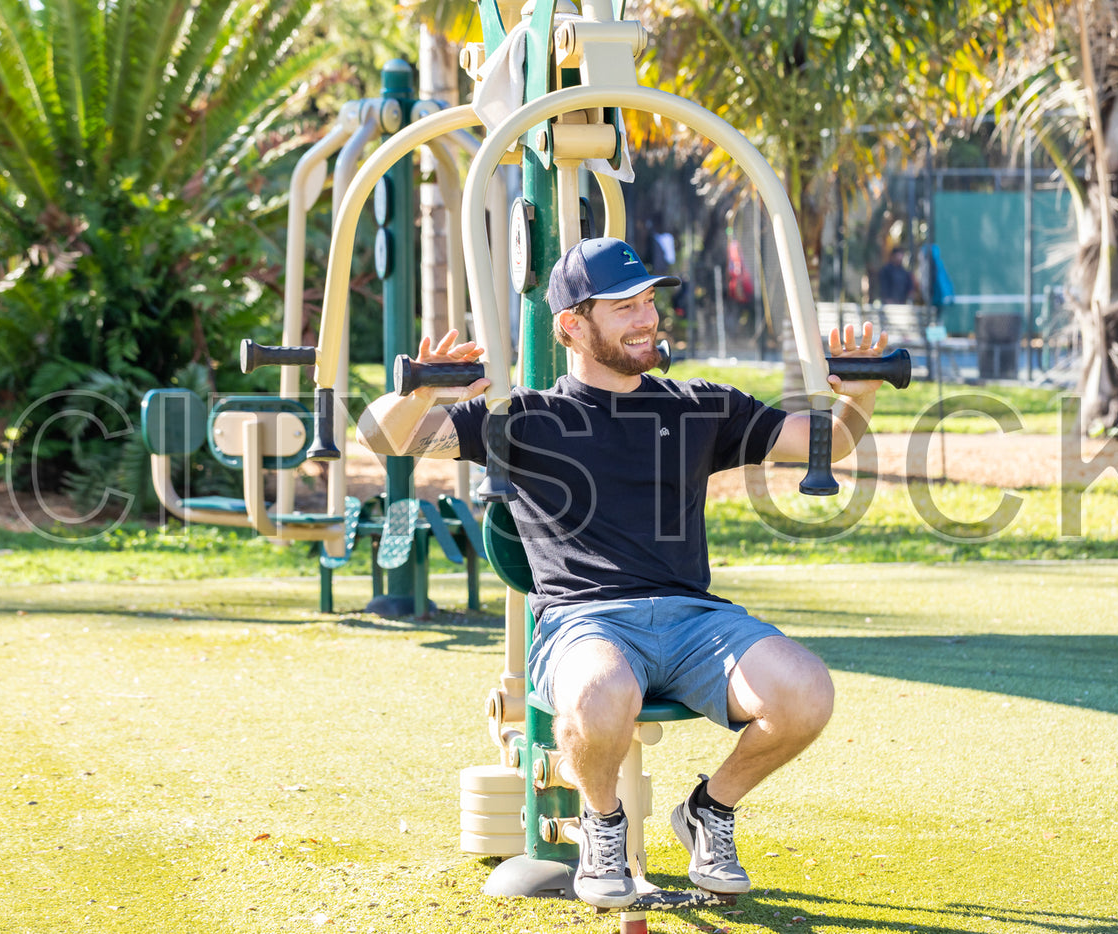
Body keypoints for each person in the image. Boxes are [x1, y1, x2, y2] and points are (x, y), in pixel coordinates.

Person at [357, 237, 888, 909]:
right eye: (622, 308)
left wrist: (860, 398)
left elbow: (828, 441)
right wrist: (419, 389)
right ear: (571, 326)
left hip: (696, 620)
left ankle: (709, 811)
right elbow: (380, 436)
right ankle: (603, 827)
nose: (646, 320)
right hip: (585, 621)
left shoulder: (699, 407)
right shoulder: (522, 418)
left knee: (806, 692)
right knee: (598, 692)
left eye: (647, 302)